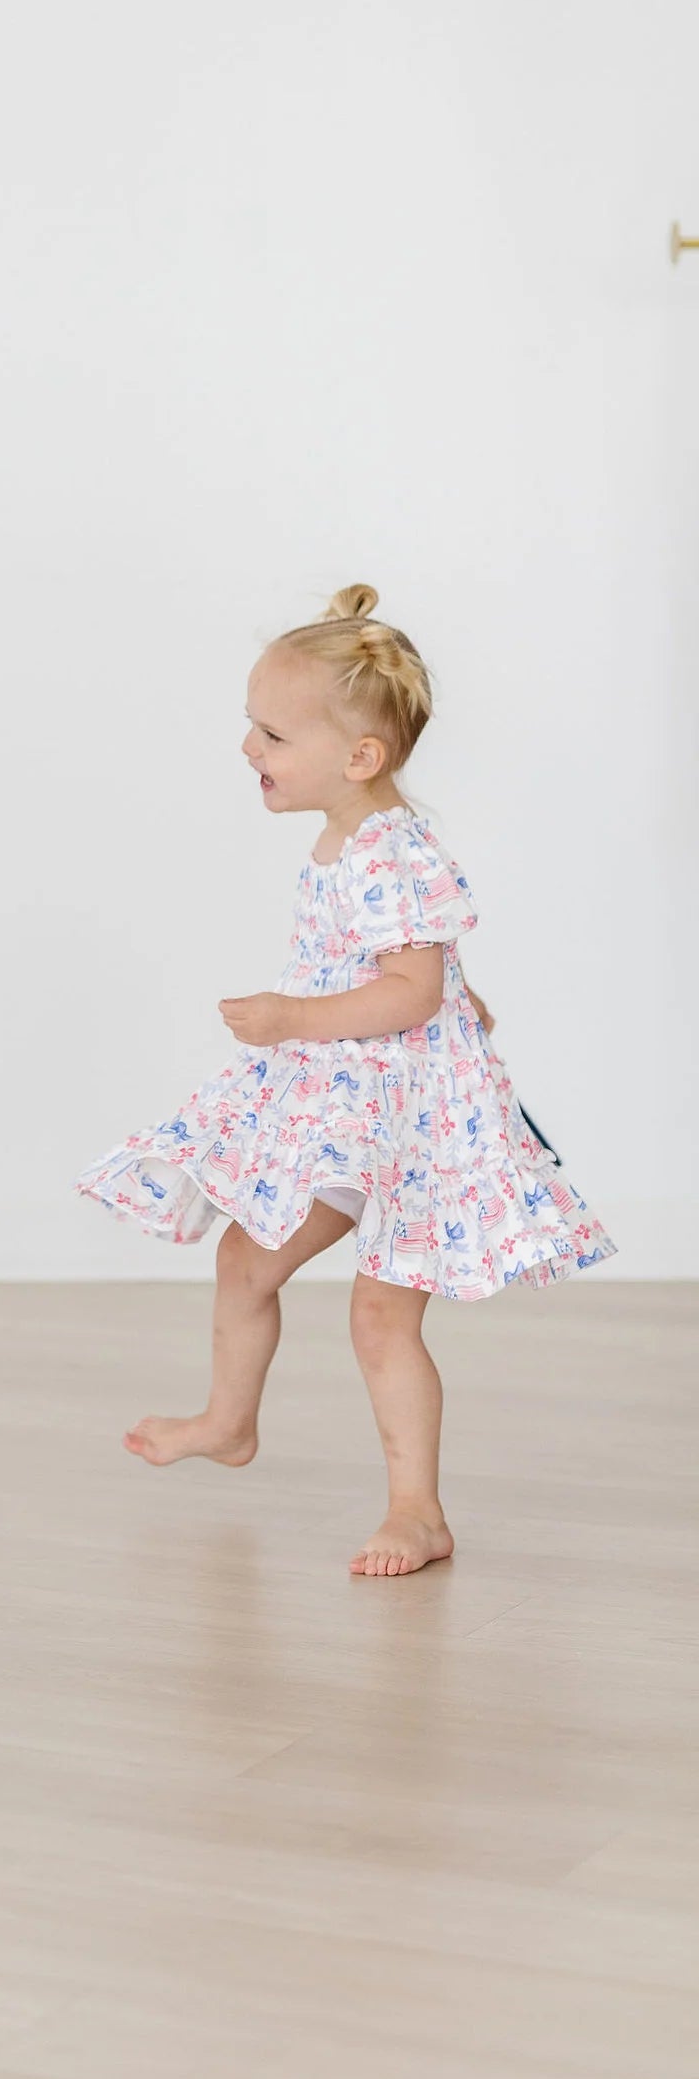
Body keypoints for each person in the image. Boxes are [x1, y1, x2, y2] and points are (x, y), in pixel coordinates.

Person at [75, 584, 611, 1578]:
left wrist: (293, 1019)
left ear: (357, 757)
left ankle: (417, 1511)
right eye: (250, 724)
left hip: (405, 1125)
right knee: (247, 1258)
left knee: (379, 1313)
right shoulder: (351, 840)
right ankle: (228, 1421)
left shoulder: (388, 850)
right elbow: (424, 965)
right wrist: (457, 992)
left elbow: (404, 990)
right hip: (339, 1111)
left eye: (270, 733)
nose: (248, 749)